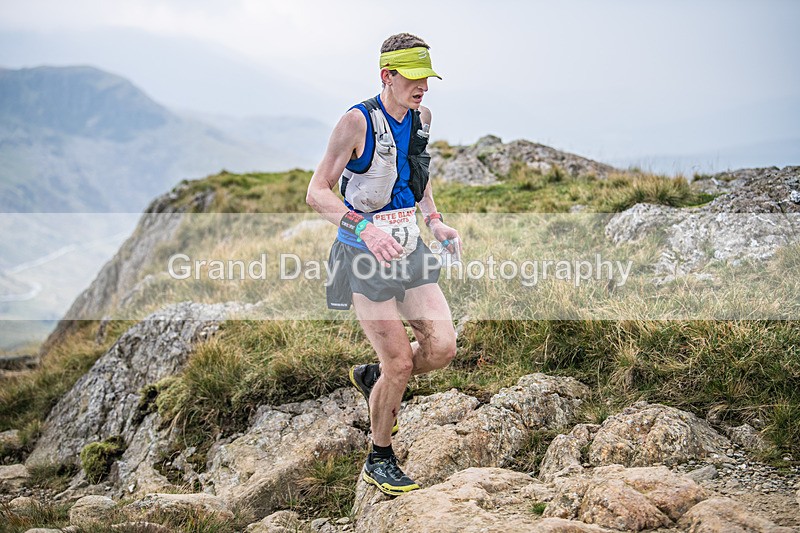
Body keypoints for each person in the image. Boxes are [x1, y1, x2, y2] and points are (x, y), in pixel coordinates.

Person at [306, 32, 460, 496]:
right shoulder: (355, 123)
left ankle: (376, 380)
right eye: (413, 78)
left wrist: (434, 221)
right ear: (386, 76)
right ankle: (379, 457)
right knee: (399, 363)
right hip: (362, 255)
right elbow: (316, 192)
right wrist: (363, 228)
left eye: (426, 78)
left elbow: (417, 177)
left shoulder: (421, 118)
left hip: (409, 246)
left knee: (442, 348)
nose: (423, 88)